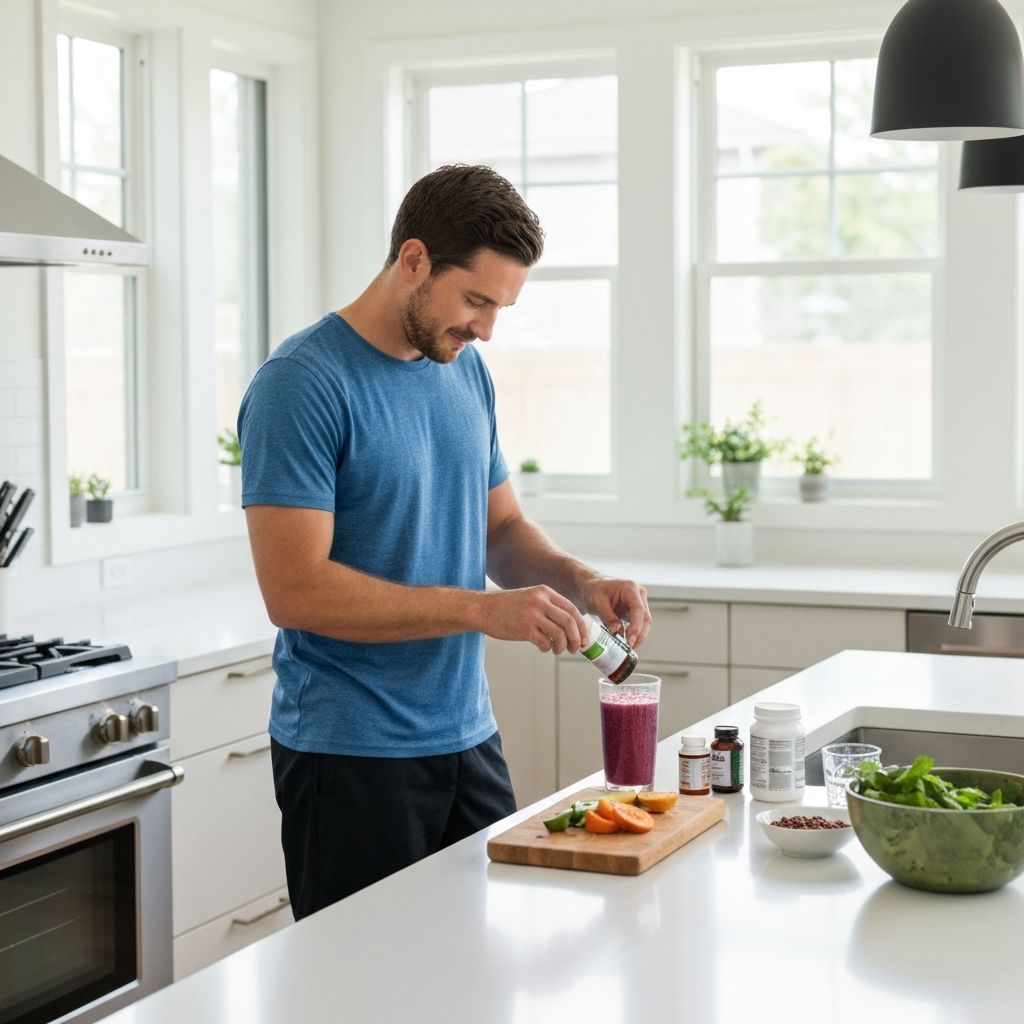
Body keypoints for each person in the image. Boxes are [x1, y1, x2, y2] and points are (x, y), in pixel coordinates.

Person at [238, 163, 652, 921]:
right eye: (476, 300)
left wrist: (579, 580)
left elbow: (500, 530)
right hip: (350, 751)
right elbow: (293, 591)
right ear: (414, 261)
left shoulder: (463, 371)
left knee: (477, 979)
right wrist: (479, 611)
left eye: (500, 308)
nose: (486, 328)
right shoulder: (302, 384)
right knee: (367, 992)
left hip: (466, 738)